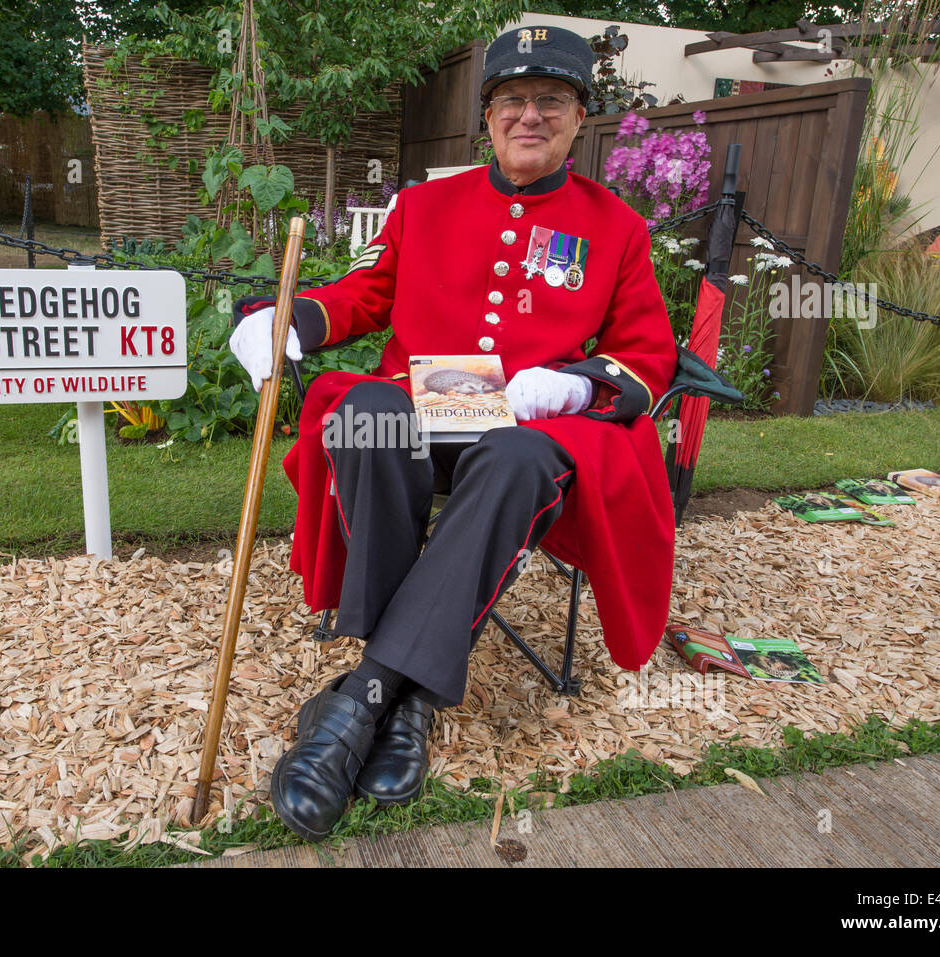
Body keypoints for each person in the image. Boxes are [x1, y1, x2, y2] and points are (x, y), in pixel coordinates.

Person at [230, 25, 678, 842]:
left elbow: (649, 351)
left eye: (551, 100)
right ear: (489, 115)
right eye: (513, 99)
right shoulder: (424, 206)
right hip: (424, 408)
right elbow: (367, 294)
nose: (530, 115)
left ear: (580, 116)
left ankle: (370, 695)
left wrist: (578, 379)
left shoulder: (617, 228)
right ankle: (410, 698)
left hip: (528, 425)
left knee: (514, 461)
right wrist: (289, 320)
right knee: (366, 414)